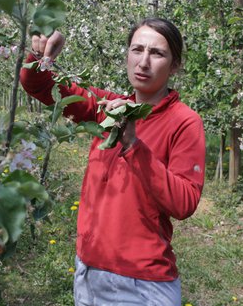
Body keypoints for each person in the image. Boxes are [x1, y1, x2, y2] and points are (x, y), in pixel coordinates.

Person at [20, 17, 206, 305]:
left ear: (175, 65)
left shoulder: (184, 121)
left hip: (141, 284)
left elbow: (185, 202)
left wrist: (133, 144)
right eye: (137, 50)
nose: (143, 62)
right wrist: (42, 57)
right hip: (89, 272)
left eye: (157, 53)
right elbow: (44, 88)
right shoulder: (106, 107)